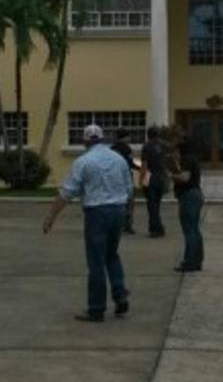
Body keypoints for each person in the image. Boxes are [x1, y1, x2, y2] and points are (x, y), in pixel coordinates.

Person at [42, 124, 133, 323]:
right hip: (118, 209)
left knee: (96, 261)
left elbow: (66, 193)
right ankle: (120, 295)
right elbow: (129, 188)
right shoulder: (118, 159)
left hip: (96, 212)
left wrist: (50, 217)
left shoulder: (83, 162)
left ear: (84, 141)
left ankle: (96, 308)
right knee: (112, 255)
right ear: (102, 139)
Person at [173, 138, 204, 272]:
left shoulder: (186, 160)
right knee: (195, 230)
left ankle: (190, 261)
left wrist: (171, 175)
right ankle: (197, 260)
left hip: (188, 196)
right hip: (196, 194)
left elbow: (185, 178)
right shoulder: (194, 159)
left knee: (189, 231)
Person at [138, 126, 170, 237]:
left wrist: (141, 180)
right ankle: (158, 226)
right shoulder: (165, 145)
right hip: (162, 176)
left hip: (150, 177)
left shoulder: (147, 146)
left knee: (152, 205)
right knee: (157, 203)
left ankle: (156, 229)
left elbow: (144, 165)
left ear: (148, 134)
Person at [110, 128, 141, 234]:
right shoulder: (126, 148)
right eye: (128, 136)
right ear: (124, 137)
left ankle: (115, 224)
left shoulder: (112, 148)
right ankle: (127, 225)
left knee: (116, 201)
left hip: (113, 177)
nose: (130, 138)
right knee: (129, 202)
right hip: (125, 177)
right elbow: (130, 162)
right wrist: (141, 168)